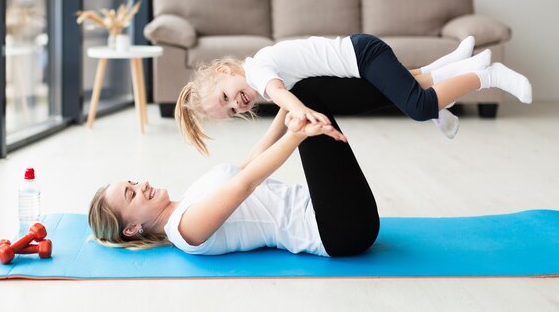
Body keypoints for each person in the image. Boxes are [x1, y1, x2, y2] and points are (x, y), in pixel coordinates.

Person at [89, 77, 395, 257]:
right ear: (132, 229)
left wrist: (289, 103)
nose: (140, 184)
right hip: (337, 229)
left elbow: (250, 162)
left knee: (303, 89)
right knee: (311, 93)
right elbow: (244, 183)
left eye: (132, 182)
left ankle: (416, 94)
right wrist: (297, 133)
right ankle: (416, 98)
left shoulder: (188, 200)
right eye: (131, 195)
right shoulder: (184, 230)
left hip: (335, 212)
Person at [175, 34, 532, 155]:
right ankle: (454, 63)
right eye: (232, 112)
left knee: (419, 107)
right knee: (407, 89)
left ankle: (488, 76)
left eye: (226, 98)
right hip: (356, 65)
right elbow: (278, 122)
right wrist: (247, 164)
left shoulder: (259, 70)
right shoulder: (259, 77)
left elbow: (283, 98)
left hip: (364, 55)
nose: (237, 105)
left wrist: (304, 113)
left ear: (225, 71)